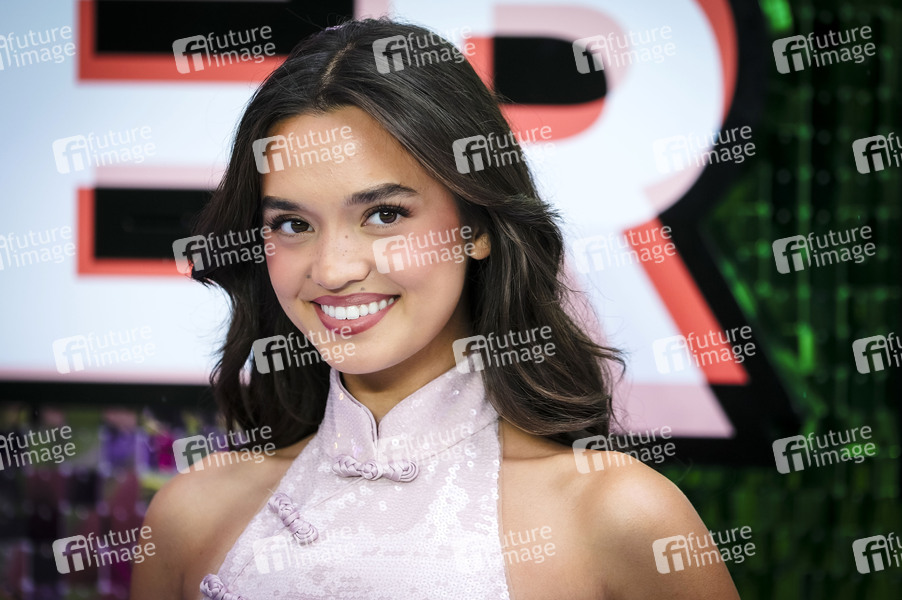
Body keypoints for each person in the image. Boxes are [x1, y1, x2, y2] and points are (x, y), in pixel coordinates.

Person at [131, 18, 740, 600]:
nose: (333, 270)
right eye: (293, 224)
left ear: (477, 226)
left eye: (384, 214)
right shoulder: (190, 517)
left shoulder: (621, 516)